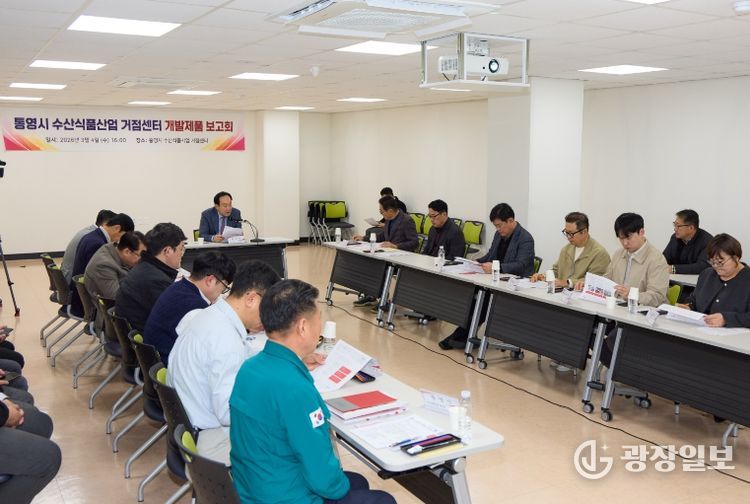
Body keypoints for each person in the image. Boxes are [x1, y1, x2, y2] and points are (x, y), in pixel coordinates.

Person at [229, 279, 396, 504]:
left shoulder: (250, 368)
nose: (320, 327)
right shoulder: (295, 389)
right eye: (319, 319)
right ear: (303, 327)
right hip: (286, 497)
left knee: (356, 482)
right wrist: (340, 488)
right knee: (382, 499)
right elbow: (325, 481)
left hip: (252, 487)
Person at [168, 260, 282, 465]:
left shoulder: (210, 315)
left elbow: (244, 355)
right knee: (298, 431)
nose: (269, 318)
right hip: (212, 440)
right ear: (251, 299)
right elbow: (228, 413)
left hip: (192, 423)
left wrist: (283, 359)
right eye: (269, 308)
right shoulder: (225, 340)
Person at [439, 203, 535, 350]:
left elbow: (521, 265)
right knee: (473, 295)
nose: (498, 229)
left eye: (499, 225)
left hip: (514, 286)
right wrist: (476, 262)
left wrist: (496, 267)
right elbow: (490, 255)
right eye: (495, 226)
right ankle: (463, 334)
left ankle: (462, 336)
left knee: (483, 299)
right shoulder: (499, 235)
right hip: (496, 281)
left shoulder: (525, 238)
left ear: (510, 221)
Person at [144, 251, 236, 364]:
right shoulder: (195, 308)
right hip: (168, 365)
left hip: (155, 358)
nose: (221, 293)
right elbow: (209, 350)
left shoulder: (179, 286)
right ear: (210, 280)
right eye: (224, 288)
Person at [116, 223, 187, 332]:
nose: (182, 253)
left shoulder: (144, 268)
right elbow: (180, 319)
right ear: (167, 251)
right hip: (147, 338)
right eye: (181, 248)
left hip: (136, 333)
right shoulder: (155, 280)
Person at [352, 195, 418, 307]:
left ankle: (384, 301)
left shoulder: (406, 221)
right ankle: (371, 295)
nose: (381, 214)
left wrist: (396, 246)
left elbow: (415, 242)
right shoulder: (389, 219)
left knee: (382, 268)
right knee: (367, 262)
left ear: (390, 211)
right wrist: (364, 238)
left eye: (382, 212)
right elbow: (382, 236)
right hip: (388, 255)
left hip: (401, 258)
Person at [68, 213, 135, 318]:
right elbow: (104, 283)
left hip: (83, 296)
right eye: (123, 236)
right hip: (89, 305)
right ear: (117, 228)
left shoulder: (93, 236)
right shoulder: (97, 244)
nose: (121, 241)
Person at [682, 234, 750, 328]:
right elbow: (694, 300)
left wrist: (726, 319)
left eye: (720, 262)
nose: (716, 266)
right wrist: (688, 307)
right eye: (712, 262)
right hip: (700, 330)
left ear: (736, 258)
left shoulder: (747, 280)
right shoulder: (707, 274)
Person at [531, 212, 610, 288]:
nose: (568, 237)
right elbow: (556, 270)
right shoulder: (566, 249)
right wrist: (543, 276)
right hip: (561, 294)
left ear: (584, 232)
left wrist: (568, 283)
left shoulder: (599, 253)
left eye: (571, 233)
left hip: (580, 296)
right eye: (566, 232)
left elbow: (595, 281)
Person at [84, 231, 146, 301]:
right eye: (140, 255)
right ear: (127, 252)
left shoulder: (116, 250)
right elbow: (116, 297)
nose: (142, 259)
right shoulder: (103, 265)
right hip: (110, 306)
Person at [61, 209, 116, 284]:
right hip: (72, 280)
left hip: (66, 275)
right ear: (105, 224)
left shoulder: (89, 231)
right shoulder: (94, 239)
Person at [663, 209, 713, 275]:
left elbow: (702, 266)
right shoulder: (675, 238)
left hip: (695, 280)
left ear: (691, 228)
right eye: (674, 225)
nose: (675, 229)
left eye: (678, 226)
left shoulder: (708, 241)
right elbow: (664, 259)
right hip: (676, 278)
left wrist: (674, 269)